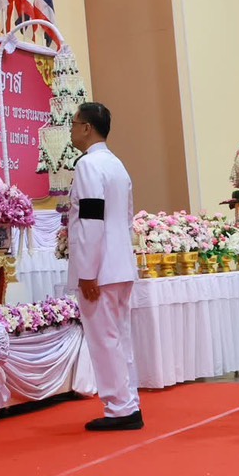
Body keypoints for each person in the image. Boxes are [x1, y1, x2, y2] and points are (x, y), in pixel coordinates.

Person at [67, 102, 143, 431]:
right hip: (120, 263)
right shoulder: (117, 165)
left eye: (74, 124)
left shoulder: (88, 164)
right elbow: (125, 219)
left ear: (87, 128)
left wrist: (87, 272)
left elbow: (91, 220)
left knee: (104, 340)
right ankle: (129, 401)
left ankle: (119, 408)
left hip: (100, 268)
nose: (71, 131)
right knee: (120, 337)